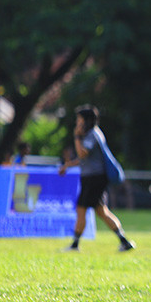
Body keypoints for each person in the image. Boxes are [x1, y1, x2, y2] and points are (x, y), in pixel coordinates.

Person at [58, 105, 135, 252]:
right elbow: (85, 159)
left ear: (86, 120)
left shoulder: (92, 134)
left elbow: (82, 154)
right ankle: (124, 241)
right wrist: (68, 165)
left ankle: (75, 245)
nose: (77, 122)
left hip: (94, 179)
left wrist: (76, 136)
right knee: (101, 211)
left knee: (82, 208)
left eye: (79, 119)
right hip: (93, 178)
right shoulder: (92, 134)